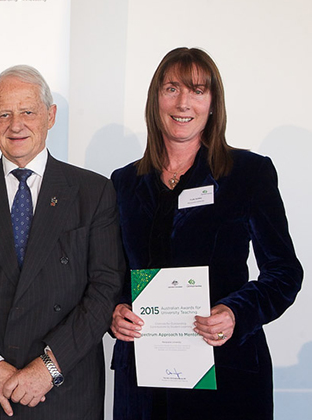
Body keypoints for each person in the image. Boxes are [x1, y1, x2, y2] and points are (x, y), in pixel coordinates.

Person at [110, 47, 304, 420]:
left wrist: (236, 312)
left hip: (226, 378)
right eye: (172, 89)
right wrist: (114, 311)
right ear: (156, 100)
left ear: (213, 103)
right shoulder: (124, 183)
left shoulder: (248, 173)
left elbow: (284, 272)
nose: (184, 102)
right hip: (145, 385)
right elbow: (111, 275)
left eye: (198, 90)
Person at [0, 64, 125, 419]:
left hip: (65, 389)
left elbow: (106, 288)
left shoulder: (93, 192)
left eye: (27, 112)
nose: (15, 124)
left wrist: (48, 368)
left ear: (50, 116)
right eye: (4, 114)